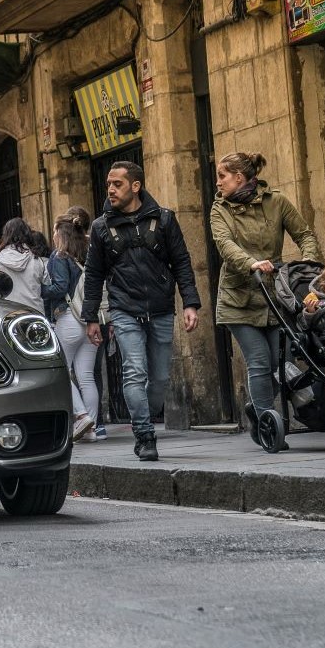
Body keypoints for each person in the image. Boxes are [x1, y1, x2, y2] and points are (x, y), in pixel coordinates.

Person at [81, 162, 201, 462]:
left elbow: (182, 262)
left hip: (161, 309)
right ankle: (145, 435)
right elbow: (93, 275)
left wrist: (190, 302)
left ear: (135, 186)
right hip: (124, 309)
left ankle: (143, 417)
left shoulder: (164, 219)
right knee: (134, 371)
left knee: (159, 379)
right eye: (108, 184)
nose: (110, 190)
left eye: (117, 184)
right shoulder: (101, 227)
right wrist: (91, 317)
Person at [208, 151, 321, 444]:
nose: (218, 182)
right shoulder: (219, 209)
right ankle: (268, 425)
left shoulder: (276, 201)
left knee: (280, 363)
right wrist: (252, 263)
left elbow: (305, 234)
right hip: (239, 299)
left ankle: (258, 409)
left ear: (239, 177)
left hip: (275, 295)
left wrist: (307, 264)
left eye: (222, 176)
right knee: (259, 361)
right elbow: (225, 244)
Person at [42, 211, 99, 442]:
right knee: (86, 376)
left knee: (60, 371)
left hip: (68, 320)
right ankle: (92, 430)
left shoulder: (59, 256)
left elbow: (59, 288)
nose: (53, 236)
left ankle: (82, 416)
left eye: (55, 231)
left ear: (61, 233)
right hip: (91, 320)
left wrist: (40, 289)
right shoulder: (89, 253)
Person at [0, 218, 46, 311]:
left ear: (5, 236)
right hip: (34, 312)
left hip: (7, 313)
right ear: (27, 234)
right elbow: (46, 286)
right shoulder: (37, 260)